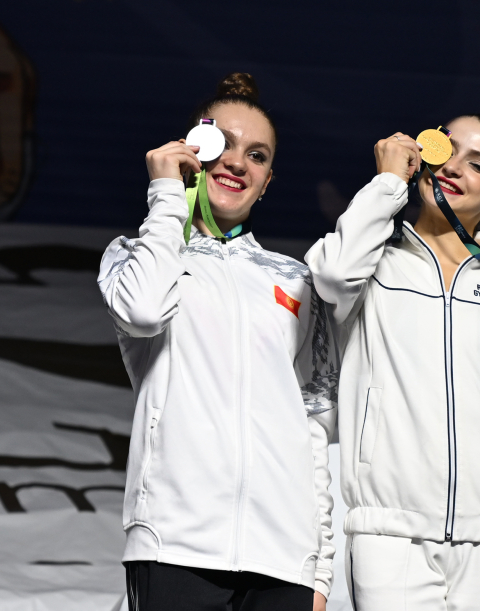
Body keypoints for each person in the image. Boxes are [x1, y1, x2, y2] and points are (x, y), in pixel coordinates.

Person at [97, 73, 337, 611]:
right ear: (191, 151)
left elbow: (313, 424)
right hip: (175, 543)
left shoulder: (297, 279)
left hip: (284, 557)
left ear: (267, 181)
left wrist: (319, 568)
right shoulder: (138, 256)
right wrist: (167, 195)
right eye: (221, 144)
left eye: (257, 155)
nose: (237, 163)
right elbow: (141, 312)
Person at [305, 109, 480, 611]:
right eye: (447, 150)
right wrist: (387, 183)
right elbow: (331, 275)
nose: (456, 167)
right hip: (388, 533)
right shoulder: (369, 270)